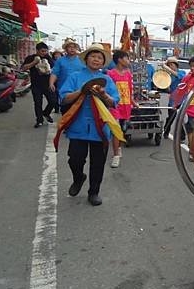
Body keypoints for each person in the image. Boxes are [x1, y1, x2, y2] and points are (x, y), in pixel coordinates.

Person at [59, 43, 120, 206]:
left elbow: (114, 102)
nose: (96, 59)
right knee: (75, 160)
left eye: (99, 57)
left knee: (98, 163)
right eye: (93, 56)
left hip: (100, 128)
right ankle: (78, 178)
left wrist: (103, 94)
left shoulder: (107, 80)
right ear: (86, 59)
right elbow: (64, 97)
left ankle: (94, 192)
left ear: (103, 62)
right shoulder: (75, 76)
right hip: (77, 126)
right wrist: (82, 91)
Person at [107, 50, 138, 168]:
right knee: (116, 130)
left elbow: (130, 90)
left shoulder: (128, 74)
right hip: (115, 106)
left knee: (123, 129)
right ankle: (115, 155)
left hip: (126, 106)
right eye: (127, 58)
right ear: (120, 59)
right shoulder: (111, 74)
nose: (128, 61)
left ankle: (118, 146)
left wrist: (133, 102)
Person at [22, 42, 57, 128]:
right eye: (42, 51)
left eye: (45, 51)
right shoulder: (30, 58)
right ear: (37, 50)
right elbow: (23, 68)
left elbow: (54, 69)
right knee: (38, 103)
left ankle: (46, 113)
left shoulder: (48, 58)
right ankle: (39, 120)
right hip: (36, 85)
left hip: (47, 84)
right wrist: (34, 62)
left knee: (53, 101)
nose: (44, 53)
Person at [50, 38, 85, 114]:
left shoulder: (82, 60)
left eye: (74, 47)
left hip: (79, 91)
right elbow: (55, 73)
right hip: (64, 91)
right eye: (70, 47)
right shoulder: (60, 60)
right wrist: (51, 83)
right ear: (66, 49)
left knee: (78, 114)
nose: (72, 49)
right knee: (66, 114)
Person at [162, 57, 186, 137]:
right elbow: (168, 88)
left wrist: (166, 68)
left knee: (180, 116)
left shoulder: (181, 72)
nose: (170, 66)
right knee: (171, 116)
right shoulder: (169, 76)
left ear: (176, 65)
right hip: (173, 98)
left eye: (171, 64)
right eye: (169, 65)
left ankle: (182, 135)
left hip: (182, 98)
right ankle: (166, 131)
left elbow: (179, 76)